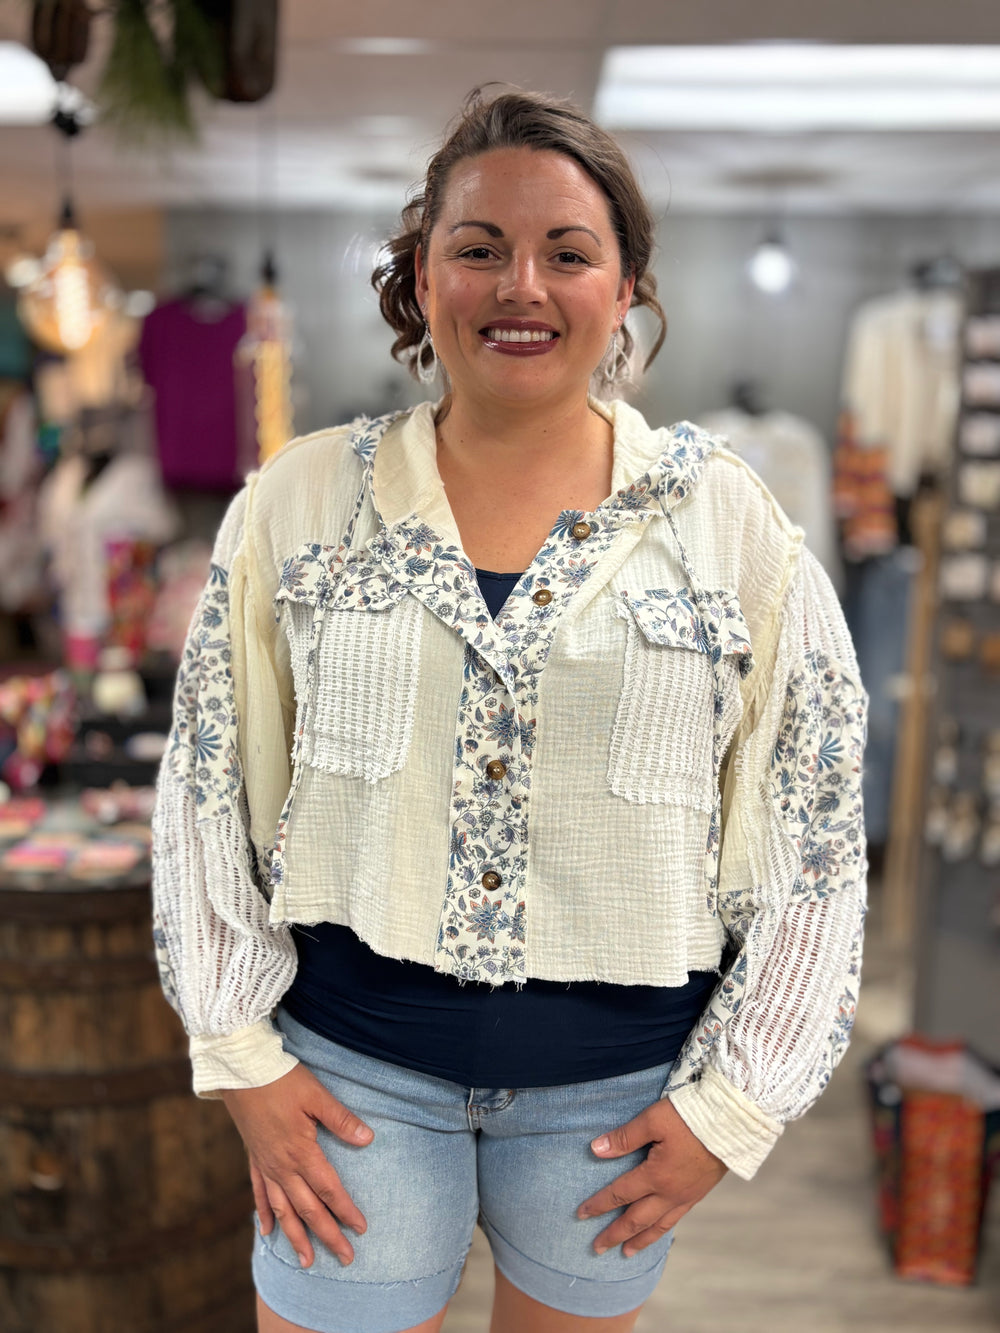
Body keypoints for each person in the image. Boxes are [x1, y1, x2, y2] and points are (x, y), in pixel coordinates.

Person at [152, 88, 868, 1333]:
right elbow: (205, 780)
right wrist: (241, 1056)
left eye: (566, 253)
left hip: (612, 1107)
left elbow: (815, 819)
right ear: (422, 274)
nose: (519, 286)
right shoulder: (301, 501)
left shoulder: (726, 521)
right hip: (352, 1081)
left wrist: (734, 1106)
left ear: (626, 286)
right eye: (479, 248)